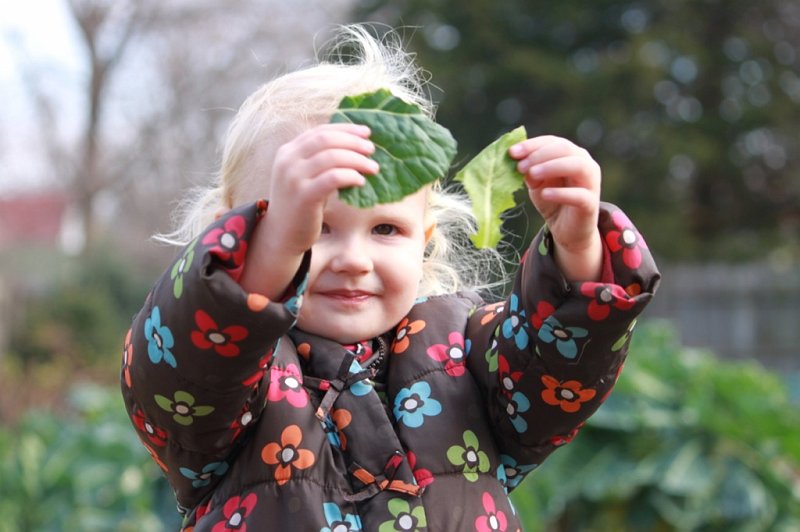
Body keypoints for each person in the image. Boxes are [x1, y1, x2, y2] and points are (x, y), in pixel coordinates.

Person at [121, 25, 660, 531]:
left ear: (424, 241)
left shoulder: (466, 352)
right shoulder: (233, 380)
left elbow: (553, 377)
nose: (354, 258)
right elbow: (183, 376)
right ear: (238, 235)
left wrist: (579, 250)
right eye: (316, 226)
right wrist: (273, 254)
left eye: (384, 227)